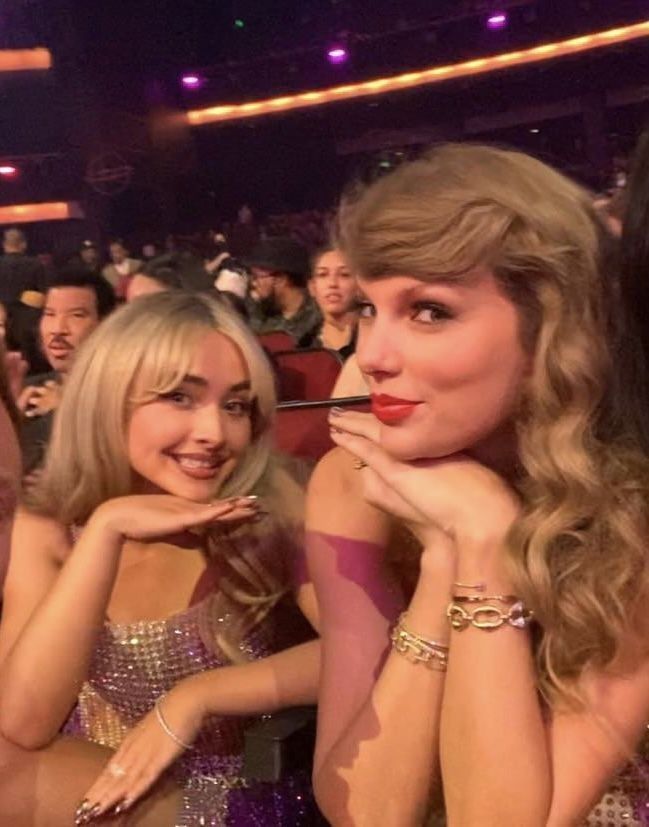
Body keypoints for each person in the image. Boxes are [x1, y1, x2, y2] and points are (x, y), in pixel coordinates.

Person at [307, 144, 649, 826]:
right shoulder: (350, 483)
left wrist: (486, 538)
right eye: (370, 308)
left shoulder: (628, 508)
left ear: (551, 328)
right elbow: (362, 811)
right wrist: (444, 557)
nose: (370, 356)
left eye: (428, 311)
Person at [0, 291, 321, 826]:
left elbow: (363, 652)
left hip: (233, 800)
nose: (214, 434)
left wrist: (196, 697)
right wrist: (105, 531)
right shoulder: (49, 528)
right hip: (92, 793)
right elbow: (23, 723)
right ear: (108, 400)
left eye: (235, 406)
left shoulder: (270, 513)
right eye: (180, 398)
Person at [18, 267, 116, 473]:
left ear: (107, 324)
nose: (58, 329)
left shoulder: (121, 397)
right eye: (50, 314)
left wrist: (65, 412)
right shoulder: (25, 390)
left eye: (77, 315)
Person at [247, 238, 321, 343]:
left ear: (280, 279)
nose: (253, 283)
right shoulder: (265, 313)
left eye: (256, 277)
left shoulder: (318, 317)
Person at [299, 246, 358, 359]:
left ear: (360, 286)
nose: (332, 283)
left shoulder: (375, 339)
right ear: (312, 287)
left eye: (344, 274)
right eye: (323, 275)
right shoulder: (303, 344)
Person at [0, 227, 47, 307]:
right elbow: (43, 293)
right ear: (24, 244)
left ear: (4, 245)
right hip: (29, 314)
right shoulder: (35, 264)